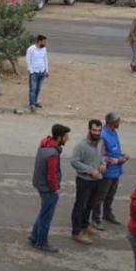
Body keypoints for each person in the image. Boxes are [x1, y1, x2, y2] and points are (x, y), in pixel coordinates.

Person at [29, 123, 71, 253]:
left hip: (40, 184)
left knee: (43, 213)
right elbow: (51, 176)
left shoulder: (45, 144)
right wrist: (55, 189)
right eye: (66, 136)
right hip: (47, 189)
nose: (67, 139)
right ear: (59, 137)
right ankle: (41, 242)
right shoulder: (53, 153)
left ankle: (34, 236)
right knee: (46, 217)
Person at [69, 119, 106, 244]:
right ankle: (76, 232)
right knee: (80, 206)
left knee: (90, 204)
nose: (97, 133)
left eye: (99, 130)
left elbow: (101, 157)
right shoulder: (81, 145)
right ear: (89, 129)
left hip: (97, 180)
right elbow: (74, 161)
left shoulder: (100, 142)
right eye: (94, 130)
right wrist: (90, 170)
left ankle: (85, 226)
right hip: (84, 181)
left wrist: (103, 165)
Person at [93, 111, 130, 227]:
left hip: (116, 172)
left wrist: (122, 155)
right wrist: (118, 160)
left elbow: (114, 151)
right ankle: (96, 219)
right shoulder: (103, 136)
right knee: (100, 197)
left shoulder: (113, 132)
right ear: (113, 122)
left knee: (110, 196)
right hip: (107, 173)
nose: (120, 123)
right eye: (118, 121)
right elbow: (101, 156)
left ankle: (107, 214)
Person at [26, 35, 48, 113]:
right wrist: (31, 71)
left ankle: (36, 102)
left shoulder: (44, 49)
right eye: (44, 41)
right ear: (39, 41)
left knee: (38, 88)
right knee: (33, 89)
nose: (45, 43)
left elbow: (45, 59)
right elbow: (28, 61)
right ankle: (32, 104)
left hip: (42, 71)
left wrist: (46, 70)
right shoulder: (31, 49)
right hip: (34, 72)